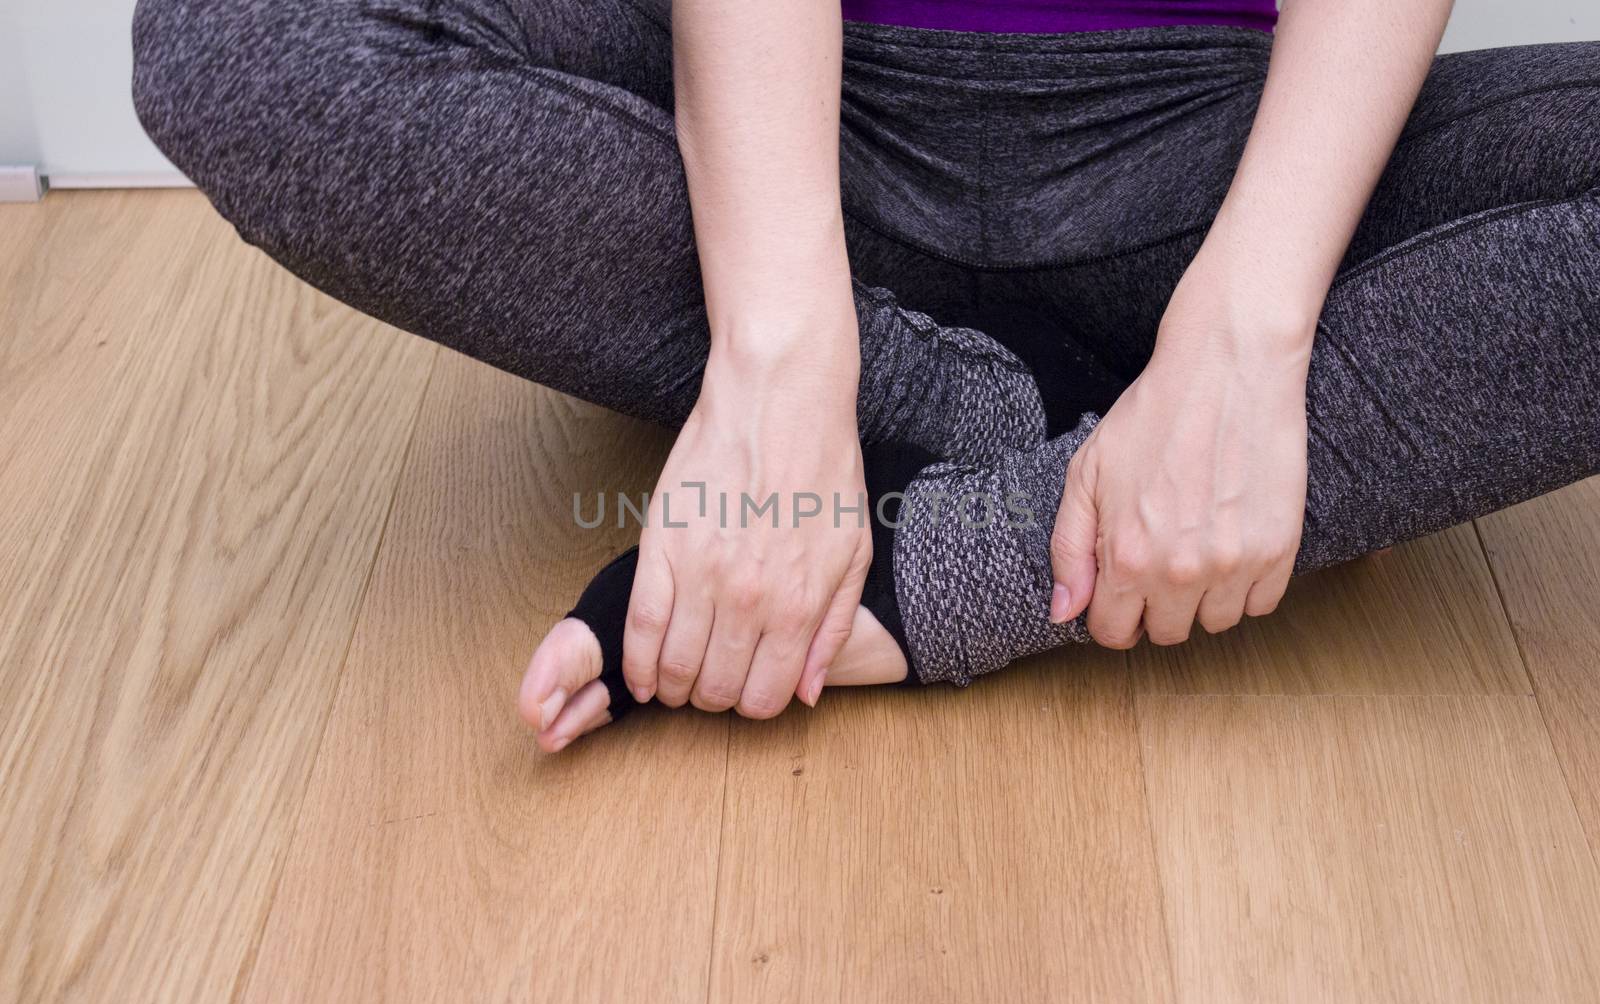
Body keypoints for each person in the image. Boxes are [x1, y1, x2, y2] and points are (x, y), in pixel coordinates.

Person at [132, 0, 1599, 752]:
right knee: (236, 35)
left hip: (1225, 150)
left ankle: (962, 550)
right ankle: (967, 413)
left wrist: (1253, 322)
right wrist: (785, 354)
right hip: (801, 141)